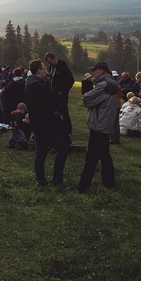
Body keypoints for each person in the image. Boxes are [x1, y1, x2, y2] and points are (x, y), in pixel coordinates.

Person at [74, 62, 119, 193]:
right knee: (104, 155)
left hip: (99, 125)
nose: (93, 73)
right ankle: (109, 182)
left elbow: (86, 99)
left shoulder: (103, 86)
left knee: (91, 157)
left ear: (101, 71)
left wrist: (87, 88)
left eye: (94, 71)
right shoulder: (111, 84)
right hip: (105, 124)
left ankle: (82, 187)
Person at [25, 59, 68, 188]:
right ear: (39, 70)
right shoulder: (41, 87)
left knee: (41, 153)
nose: (46, 70)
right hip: (48, 124)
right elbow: (52, 104)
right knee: (62, 149)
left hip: (37, 123)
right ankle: (57, 179)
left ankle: (42, 182)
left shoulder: (29, 84)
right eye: (44, 68)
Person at [45, 52, 75, 144]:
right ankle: (57, 131)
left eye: (51, 62)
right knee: (54, 114)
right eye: (49, 63)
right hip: (53, 95)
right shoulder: (51, 67)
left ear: (54, 58)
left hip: (61, 95)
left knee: (64, 114)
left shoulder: (62, 65)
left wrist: (63, 90)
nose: (51, 64)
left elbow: (70, 79)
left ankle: (68, 133)